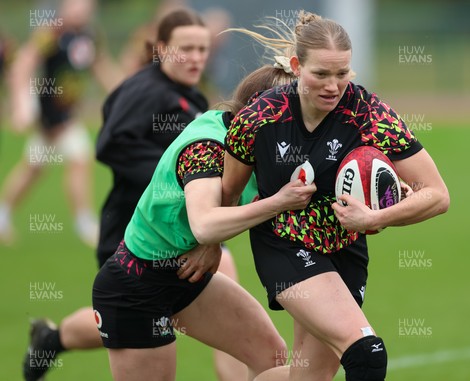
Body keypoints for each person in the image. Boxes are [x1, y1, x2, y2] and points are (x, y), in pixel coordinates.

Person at [221, 11, 450, 380]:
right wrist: (206, 246)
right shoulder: (260, 117)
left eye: (342, 74)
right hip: (283, 244)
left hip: (345, 249)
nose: (333, 86)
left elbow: (437, 194)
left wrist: (375, 218)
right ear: (296, 66)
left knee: (308, 376)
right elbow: (228, 194)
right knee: (366, 354)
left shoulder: (368, 114)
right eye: (321, 74)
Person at [22, 8, 245, 381]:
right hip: (131, 229)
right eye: (185, 48)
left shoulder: (189, 95)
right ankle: (54, 337)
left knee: (176, 300)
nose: (195, 57)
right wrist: (180, 179)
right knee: (134, 316)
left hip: (175, 228)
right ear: (160, 49)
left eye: (202, 49)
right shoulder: (146, 90)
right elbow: (110, 144)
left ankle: (52, 337)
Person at [91, 62, 313, 380]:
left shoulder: (252, 141)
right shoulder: (206, 149)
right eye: (293, 118)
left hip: (188, 276)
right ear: (258, 114)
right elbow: (205, 223)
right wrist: (277, 203)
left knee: (271, 357)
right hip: (137, 286)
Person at [0, 0, 122, 247]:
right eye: (76, 4)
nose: (81, 10)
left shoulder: (89, 36)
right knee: (77, 157)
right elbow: (24, 64)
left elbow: (102, 68)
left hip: (66, 113)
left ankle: (3, 214)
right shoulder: (51, 32)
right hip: (48, 113)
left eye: (86, 5)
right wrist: (21, 105)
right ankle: (84, 222)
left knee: (36, 166)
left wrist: (126, 91)